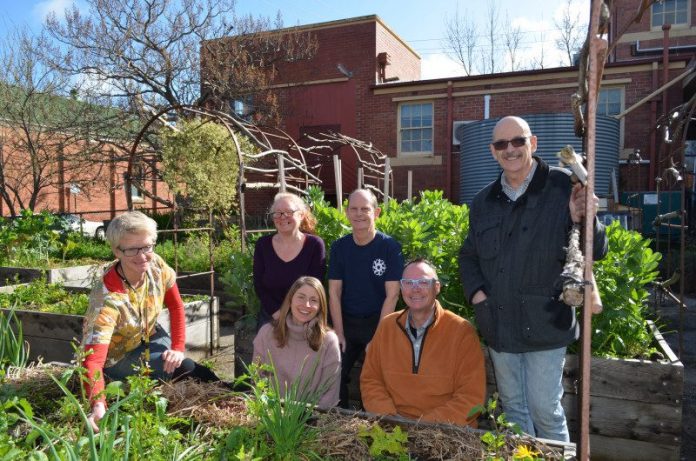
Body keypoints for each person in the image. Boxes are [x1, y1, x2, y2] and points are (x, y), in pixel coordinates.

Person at [458, 115, 608, 441]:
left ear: (533, 143)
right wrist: (478, 297)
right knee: (513, 411)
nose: (510, 149)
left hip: (547, 323)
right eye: (501, 144)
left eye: (518, 141)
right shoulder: (484, 201)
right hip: (499, 323)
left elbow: (596, 249)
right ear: (492, 150)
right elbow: (469, 255)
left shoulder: (563, 185)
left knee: (545, 411)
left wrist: (587, 217)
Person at [81, 211, 219, 433]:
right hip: (118, 355)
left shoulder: (156, 265)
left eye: (147, 246)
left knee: (178, 362)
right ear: (117, 251)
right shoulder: (107, 298)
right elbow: (93, 360)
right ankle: (224, 390)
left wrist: (177, 347)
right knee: (185, 368)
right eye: (132, 249)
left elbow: (175, 306)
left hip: (149, 332)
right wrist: (98, 404)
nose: (143, 256)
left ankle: (225, 389)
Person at [360, 259, 486, 426]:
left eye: (423, 282)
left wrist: (422, 428)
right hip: (391, 427)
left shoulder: (461, 331)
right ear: (401, 287)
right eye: (408, 283)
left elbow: (471, 397)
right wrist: (390, 420)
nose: (415, 288)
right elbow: (371, 380)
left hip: (446, 432)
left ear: (437, 287)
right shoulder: (387, 327)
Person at [328, 188, 404, 408]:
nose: (359, 214)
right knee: (334, 374)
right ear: (346, 212)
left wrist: (378, 337)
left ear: (377, 212)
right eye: (354, 209)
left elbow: (393, 295)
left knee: (376, 379)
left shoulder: (389, 247)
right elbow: (334, 292)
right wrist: (339, 333)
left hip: (378, 322)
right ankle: (338, 422)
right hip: (347, 322)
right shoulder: (339, 248)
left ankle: (373, 425)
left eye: (365, 209)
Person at [252, 276, 341, 409]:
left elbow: (329, 395)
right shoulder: (266, 334)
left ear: (321, 306)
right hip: (270, 414)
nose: (307, 305)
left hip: (310, 421)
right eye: (301, 297)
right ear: (290, 300)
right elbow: (257, 380)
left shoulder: (329, 341)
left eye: (314, 300)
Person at [253, 192, 326, 330]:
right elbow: (259, 285)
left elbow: (315, 285)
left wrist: (296, 318)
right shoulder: (263, 245)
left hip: (305, 317)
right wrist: (278, 314)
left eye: (288, 212)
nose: (282, 217)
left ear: (301, 215)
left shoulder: (315, 245)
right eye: (278, 213)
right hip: (270, 317)